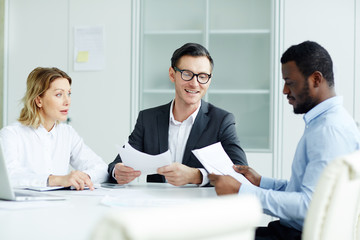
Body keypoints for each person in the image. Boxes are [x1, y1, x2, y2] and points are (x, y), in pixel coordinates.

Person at [209, 41, 360, 239]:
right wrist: (260, 182)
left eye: (290, 82)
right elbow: (309, 190)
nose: (285, 91)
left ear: (316, 79)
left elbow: (310, 205)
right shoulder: (333, 122)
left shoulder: (328, 131)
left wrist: (242, 192)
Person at [108, 42, 247, 186]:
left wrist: (197, 176)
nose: (194, 83)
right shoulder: (148, 119)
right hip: (156, 205)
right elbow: (117, 164)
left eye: (203, 76)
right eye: (187, 74)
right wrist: (117, 171)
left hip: (200, 205)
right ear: (172, 74)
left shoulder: (221, 121)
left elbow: (241, 172)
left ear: (209, 80)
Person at [0, 67, 108, 190]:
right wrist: (57, 180)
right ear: (38, 100)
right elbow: (8, 177)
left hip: (60, 205)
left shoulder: (67, 133)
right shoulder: (11, 134)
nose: (67, 101)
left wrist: (84, 177)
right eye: (59, 94)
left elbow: (102, 169)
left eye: (69, 93)